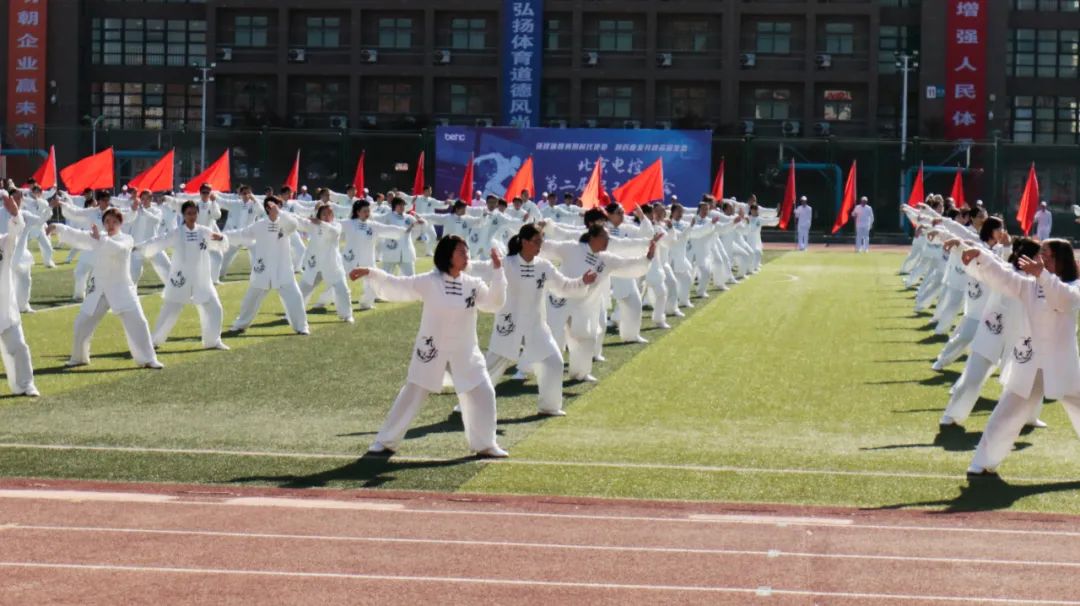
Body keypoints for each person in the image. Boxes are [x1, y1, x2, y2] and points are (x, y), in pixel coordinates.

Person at [350, 236, 509, 458]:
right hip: (432, 349)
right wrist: (371, 272)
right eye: (461, 252)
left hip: (465, 351)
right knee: (413, 392)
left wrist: (499, 271)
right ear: (448, 256)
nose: (467, 256)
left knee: (483, 392)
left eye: (467, 251)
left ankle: (485, 444)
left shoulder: (473, 284)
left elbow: (494, 303)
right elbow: (398, 285)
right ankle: (385, 441)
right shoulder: (430, 281)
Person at [961, 238, 1080, 476]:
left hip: (1062, 365)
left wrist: (1043, 276)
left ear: (1060, 259)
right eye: (1040, 254)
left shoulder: (1074, 285)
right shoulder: (1030, 284)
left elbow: (1063, 299)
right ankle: (983, 463)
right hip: (1031, 364)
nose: (1040, 259)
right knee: (1006, 413)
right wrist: (981, 256)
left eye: (1046, 255)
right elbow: (1005, 276)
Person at [485, 224, 596, 416]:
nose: (540, 245)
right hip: (508, 325)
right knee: (491, 369)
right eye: (537, 241)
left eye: (542, 240)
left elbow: (563, 285)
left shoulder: (543, 266)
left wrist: (581, 281)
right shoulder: (506, 264)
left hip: (536, 326)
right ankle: (465, 408)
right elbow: (477, 271)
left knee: (553, 363)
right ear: (524, 242)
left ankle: (550, 407)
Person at [940, 237, 1043, 429]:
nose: (1042, 260)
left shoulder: (1041, 281)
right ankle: (952, 415)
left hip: (1020, 339)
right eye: (1039, 255)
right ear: (1029, 257)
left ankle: (1029, 417)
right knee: (972, 378)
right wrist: (961, 245)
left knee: (1024, 381)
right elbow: (987, 260)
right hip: (991, 333)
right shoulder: (1006, 272)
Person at [48, 208, 164, 369]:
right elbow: (78, 236)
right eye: (107, 222)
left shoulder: (127, 239)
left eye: (114, 222)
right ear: (103, 223)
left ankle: (148, 359)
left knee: (139, 323)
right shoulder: (98, 237)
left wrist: (100, 240)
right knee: (82, 324)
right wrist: (58, 227)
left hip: (122, 288)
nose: (110, 225)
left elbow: (119, 250)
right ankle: (79, 357)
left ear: (120, 223)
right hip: (99, 289)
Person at [137, 201, 230, 351]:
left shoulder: (204, 231)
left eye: (194, 213)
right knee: (169, 311)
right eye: (188, 213)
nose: (192, 216)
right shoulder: (176, 233)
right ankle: (153, 342)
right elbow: (159, 240)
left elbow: (220, 243)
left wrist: (222, 239)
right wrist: (140, 247)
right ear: (183, 215)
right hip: (181, 279)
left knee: (215, 308)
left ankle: (213, 341)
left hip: (202, 278)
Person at [224, 197, 310, 335]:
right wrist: (222, 236)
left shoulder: (285, 222)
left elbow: (293, 225)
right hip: (262, 269)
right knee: (250, 300)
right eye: (276, 205)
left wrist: (280, 213)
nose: (279, 208)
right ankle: (240, 325)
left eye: (280, 205)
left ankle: (301, 327)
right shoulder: (260, 225)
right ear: (268, 208)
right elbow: (242, 234)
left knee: (295, 298)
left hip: (283, 270)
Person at [0, 192, 39, 396]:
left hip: (5, 309)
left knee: (19, 347)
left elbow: (16, 231)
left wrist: (15, 214)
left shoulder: (4, 243)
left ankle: (26, 385)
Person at [296, 203, 353, 323]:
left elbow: (334, 232)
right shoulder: (313, 225)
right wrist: (280, 212)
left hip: (332, 265)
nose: (327, 216)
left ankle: (347, 315)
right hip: (314, 264)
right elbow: (299, 221)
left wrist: (320, 223)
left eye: (330, 213)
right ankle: (292, 315)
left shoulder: (336, 225)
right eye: (324, 214)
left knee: (343, 290)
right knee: (302, 290)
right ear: (319, 215)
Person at [377, 197, 424, 276]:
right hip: (390, 251)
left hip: (406, 252)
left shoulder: (409, 217)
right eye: (400, 205)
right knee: (385, 277)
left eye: (403, 205)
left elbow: (420, 227)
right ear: (394, 206)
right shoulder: (387, 216)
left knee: (411, 277)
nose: (402, 207)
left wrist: (421, 221)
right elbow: (376, 222)